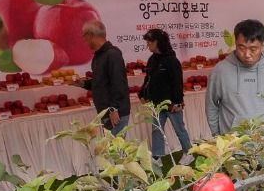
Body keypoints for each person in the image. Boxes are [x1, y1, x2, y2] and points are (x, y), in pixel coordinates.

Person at [206, 20, 264, 152]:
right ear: (235, 44)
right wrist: (218, 137)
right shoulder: (220, 71)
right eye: (241, 48)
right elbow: (211, 105)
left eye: (253, 49)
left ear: (262, 45)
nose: (247, 54)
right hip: (233, 148)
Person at [141, 28, 192, 162]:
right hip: (156, 103)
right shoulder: (152, 60)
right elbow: (148, 78)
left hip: (172, 104)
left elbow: (177, 83)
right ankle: (157, 156)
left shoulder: (171, 61)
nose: (148, 46)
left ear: (158, 42)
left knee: (179, 129)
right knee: (156, 129)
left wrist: (178, 102)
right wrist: (143, 93)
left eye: (150, 43)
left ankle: (189, 153)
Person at [80, 20, 130, 135]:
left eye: (84, 35)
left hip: (115, 112)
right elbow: (101, 83)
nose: (84, 39)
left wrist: (114, 109)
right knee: (112, 148)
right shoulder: (99, 56)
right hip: (105, 111)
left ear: (91, 35)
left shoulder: (112, 54)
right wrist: (82, 84)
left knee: (117, 149)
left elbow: (119, 83)